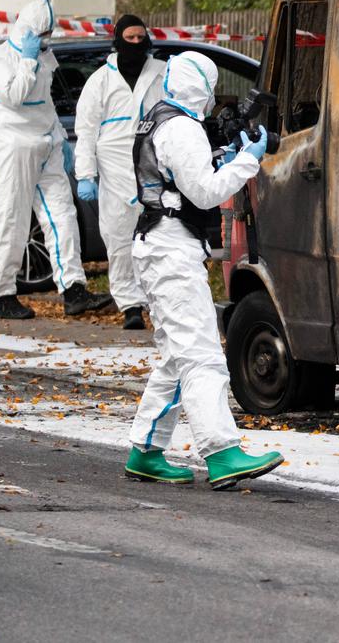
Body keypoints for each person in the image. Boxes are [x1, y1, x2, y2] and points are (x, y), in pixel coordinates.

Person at [124, 51, 281, 489]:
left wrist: (225, 154)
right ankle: (222, 452)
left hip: (158, 244)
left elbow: (182, 176)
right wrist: (246, 161)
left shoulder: (159, 119)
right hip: (170, 249)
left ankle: (146, 450)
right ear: (203, 88)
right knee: (202, 356)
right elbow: (207, 192)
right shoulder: (182, 128)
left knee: (178, 356)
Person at [0, 0, 115, 320]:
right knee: (12, 219)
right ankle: (1, 294)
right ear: (28, 29)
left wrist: (60, 138)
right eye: (42, 33)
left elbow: (45, 103)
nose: (46, 39)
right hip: (14, 145)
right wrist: (27, 61)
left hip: (46, 145)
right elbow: (16, 96)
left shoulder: (42, 55)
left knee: (63, 215)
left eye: (48, 33)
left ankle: (73, 290)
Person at [73, 14, 166, 330]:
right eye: (131, 38)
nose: (137, 44)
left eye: (142, 38)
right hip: (113, 169)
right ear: (118, 40)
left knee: (158, 236)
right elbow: (85, 129)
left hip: (153, 162)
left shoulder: (162, 73)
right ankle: (130, 305)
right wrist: (85, 174)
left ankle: (156, 299)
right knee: (119, 237)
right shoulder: (101, 80)